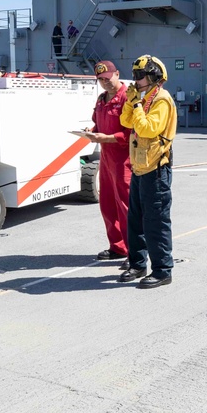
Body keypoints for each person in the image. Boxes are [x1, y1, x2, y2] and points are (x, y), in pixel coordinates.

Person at [119, 55, 177, 288]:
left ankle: (163, 270)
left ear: (153, 76)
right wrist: (129, 101)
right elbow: (125, 121)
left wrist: (136, 105)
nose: (135, 80)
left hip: (156, 169)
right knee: (135, 220)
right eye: (134, 76)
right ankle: (138, 263)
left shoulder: (161, 100)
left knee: (156, 221)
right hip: (140, 168)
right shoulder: (144, 99)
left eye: (139, 76)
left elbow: (146, 130)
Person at [84, 61, 132, 266]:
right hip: (106, 158)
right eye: (101, 80)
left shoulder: (128, 98)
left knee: (127, 207)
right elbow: (99, 122)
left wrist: (107, 138)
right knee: (108, 205)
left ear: (117, 74)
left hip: (124, 159)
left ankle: (135, 253)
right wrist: (92, 131)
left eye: (108, 78)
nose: (105, 83)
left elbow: (131, 133)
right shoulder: (102, 99)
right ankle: (118, 247)